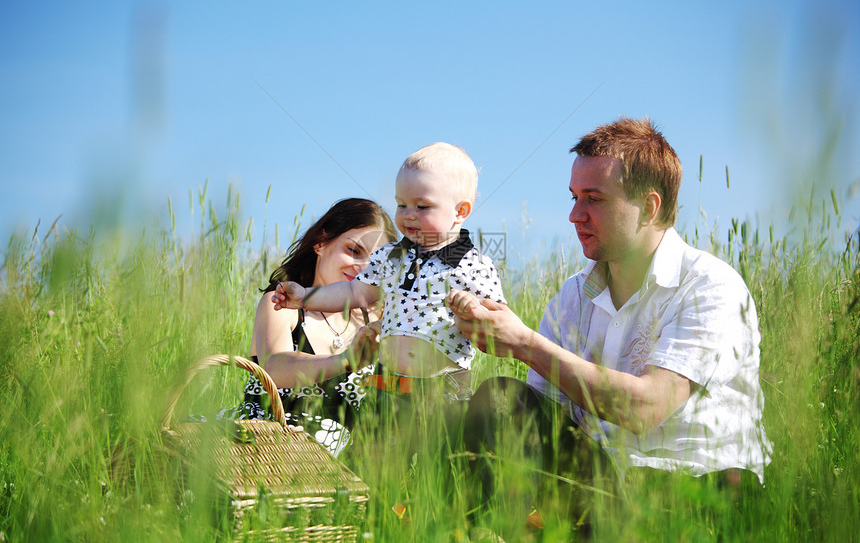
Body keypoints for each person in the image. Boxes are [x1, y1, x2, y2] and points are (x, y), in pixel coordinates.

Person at [449, 117, 772, 522]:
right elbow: (539, 422)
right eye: (574, 197)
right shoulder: (572, 296)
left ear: (649, 208)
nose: (574, 215)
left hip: (694, 494)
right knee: (500, 401)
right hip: (603, 489)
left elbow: (648, 407)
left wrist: (524, 343)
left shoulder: (709, 286)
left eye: (594, 199)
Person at [273, 142, 506, 402]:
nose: (409, 215)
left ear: (459, 212)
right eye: (401, 205)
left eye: (422, 206)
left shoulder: (473, 265)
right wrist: (305, 297)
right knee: (375, 442)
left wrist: (474, 311)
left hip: (441, 388)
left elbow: (499, 326)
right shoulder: (392, 256)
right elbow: (353, 292)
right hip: (386, 383)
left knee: (437, 442)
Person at [221, 197, 397, 456]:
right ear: (321, 242)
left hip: (343, 470)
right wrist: (345, 361)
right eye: (353, 250)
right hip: (265, 451)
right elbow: (275, 367)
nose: (363, 269)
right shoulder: (281, 305)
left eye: (376, 263)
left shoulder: (379, 319)